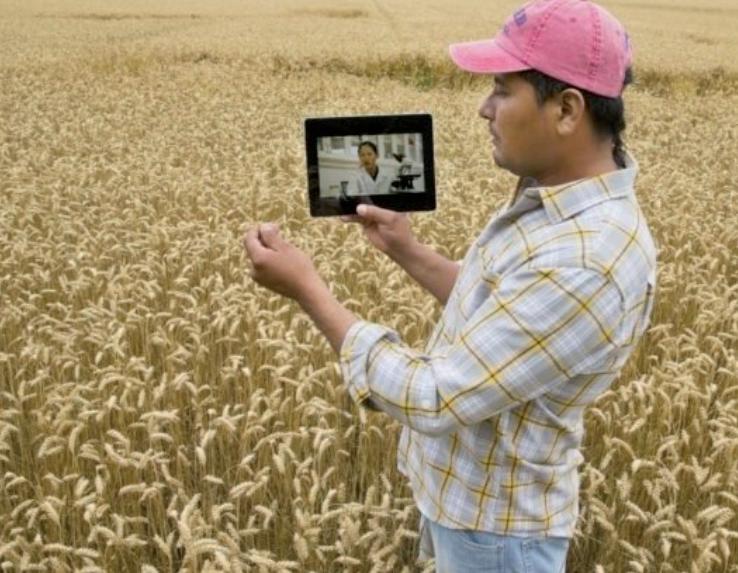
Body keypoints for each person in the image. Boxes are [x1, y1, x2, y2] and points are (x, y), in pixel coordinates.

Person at [242, 0, 657, 571]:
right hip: (472, 507)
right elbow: (504, 311)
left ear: (566, 109)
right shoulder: (558, 205)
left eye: (502, 90)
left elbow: (437, 397)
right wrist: (406, 250)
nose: (485, 108)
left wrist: (309, 290)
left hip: (498, 538)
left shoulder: (587, 259)